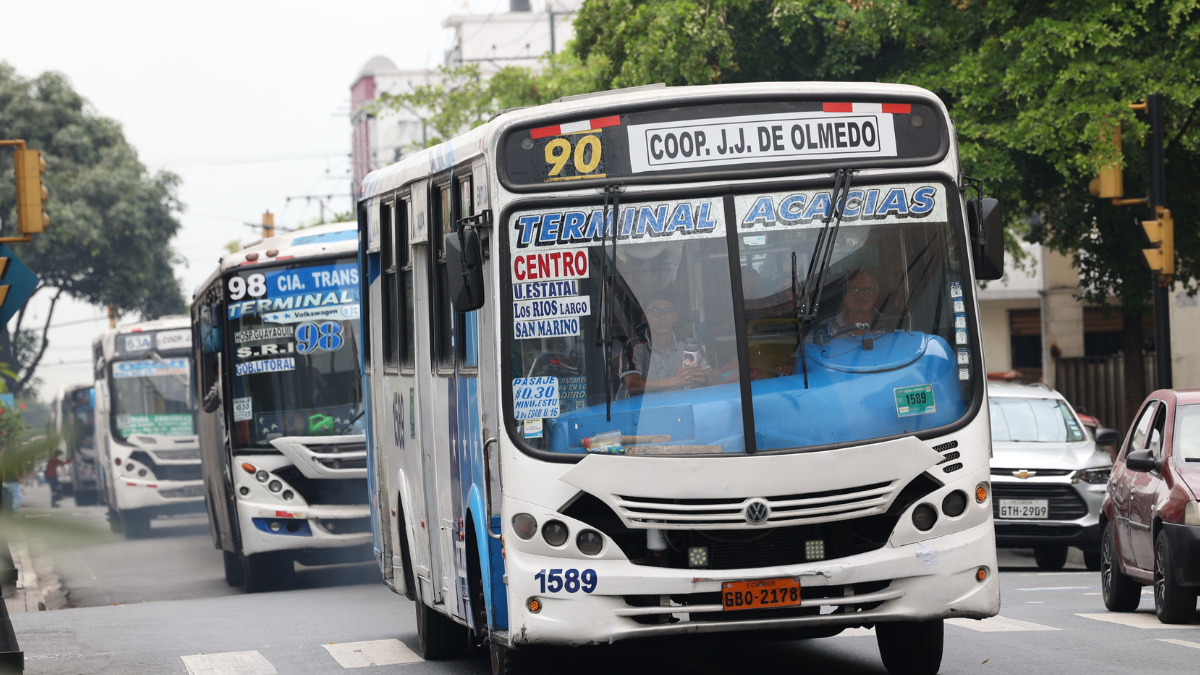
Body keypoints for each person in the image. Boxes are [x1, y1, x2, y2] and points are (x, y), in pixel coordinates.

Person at [778, 269, 884, 376]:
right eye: (855, 290)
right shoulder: (824, 330)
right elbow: (800, 357)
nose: (861, 295)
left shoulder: (888, 326)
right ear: (845, 297)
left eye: (868, 290)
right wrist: (790, 366)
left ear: (876, 297)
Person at [616, 294, 720, 398]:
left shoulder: (688, 346)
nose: (663, 317)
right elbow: (633, 386)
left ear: (675, 317)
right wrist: (675, 381)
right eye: (655, 312)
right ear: (645, 317)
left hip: (678, 408)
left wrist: (702, 379)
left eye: (668, 311)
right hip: (639, 411)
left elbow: (714, 380)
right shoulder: (633, 346)